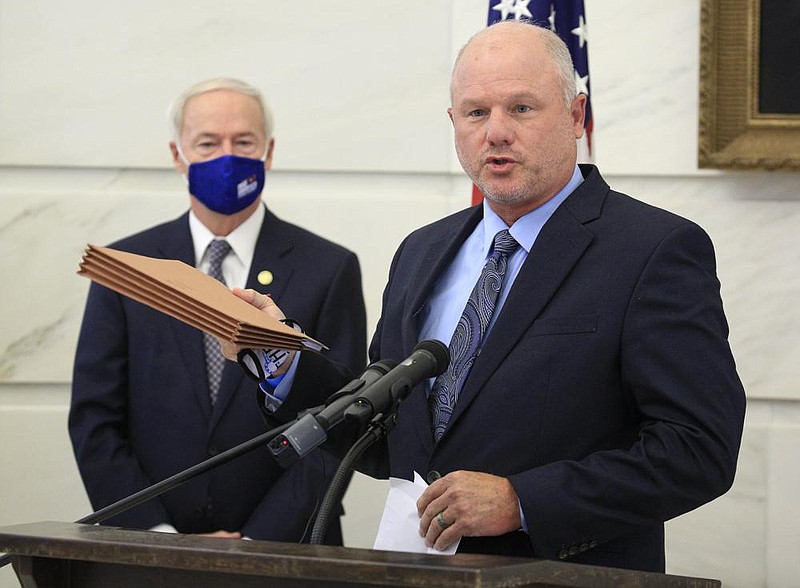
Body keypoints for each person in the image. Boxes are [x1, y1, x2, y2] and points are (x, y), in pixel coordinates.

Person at [225, 20, 745, 572]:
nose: (496, 132)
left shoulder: (653, 249)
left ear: (575, 116)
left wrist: (522, 501)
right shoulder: (421, 251)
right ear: (454, 123)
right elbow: (387, 435)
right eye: (476, 112)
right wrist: (279, 356)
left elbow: (698, 449)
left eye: (521, 108)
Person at [69, 77, 367, 543]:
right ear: (177, 155)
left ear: (268, 152)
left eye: (243, 141)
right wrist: (158, 537)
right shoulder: (127, 267)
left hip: (288, 556)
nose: (226, 156)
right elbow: (95, 421)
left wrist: (254, 545)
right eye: (207, 143)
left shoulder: (329, 268)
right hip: (150, 555)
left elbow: (344, 421)